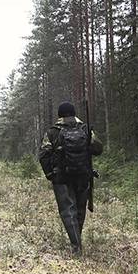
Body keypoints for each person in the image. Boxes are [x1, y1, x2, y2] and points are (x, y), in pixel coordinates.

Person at [38, 101, 103, 254]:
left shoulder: (52, 132)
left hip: (61, 178)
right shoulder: (85, 129)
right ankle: (77, 241)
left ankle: (76, 246)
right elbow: (98, 149)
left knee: (68, 210)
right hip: (84, 175)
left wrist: (50, 174)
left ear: (60, 115)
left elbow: (43, 154)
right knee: (80, 209)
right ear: (74, 114)